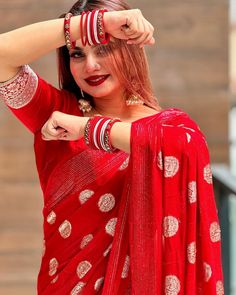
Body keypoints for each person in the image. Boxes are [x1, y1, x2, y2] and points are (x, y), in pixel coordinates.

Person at [0, 0, 224, 294]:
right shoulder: (57, 112)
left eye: (104, 48)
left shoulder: (171, 129)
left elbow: (182, 147)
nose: (90, 66)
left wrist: (88, 129)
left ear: (131, 49)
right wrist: (97, 25)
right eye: (77, 54)